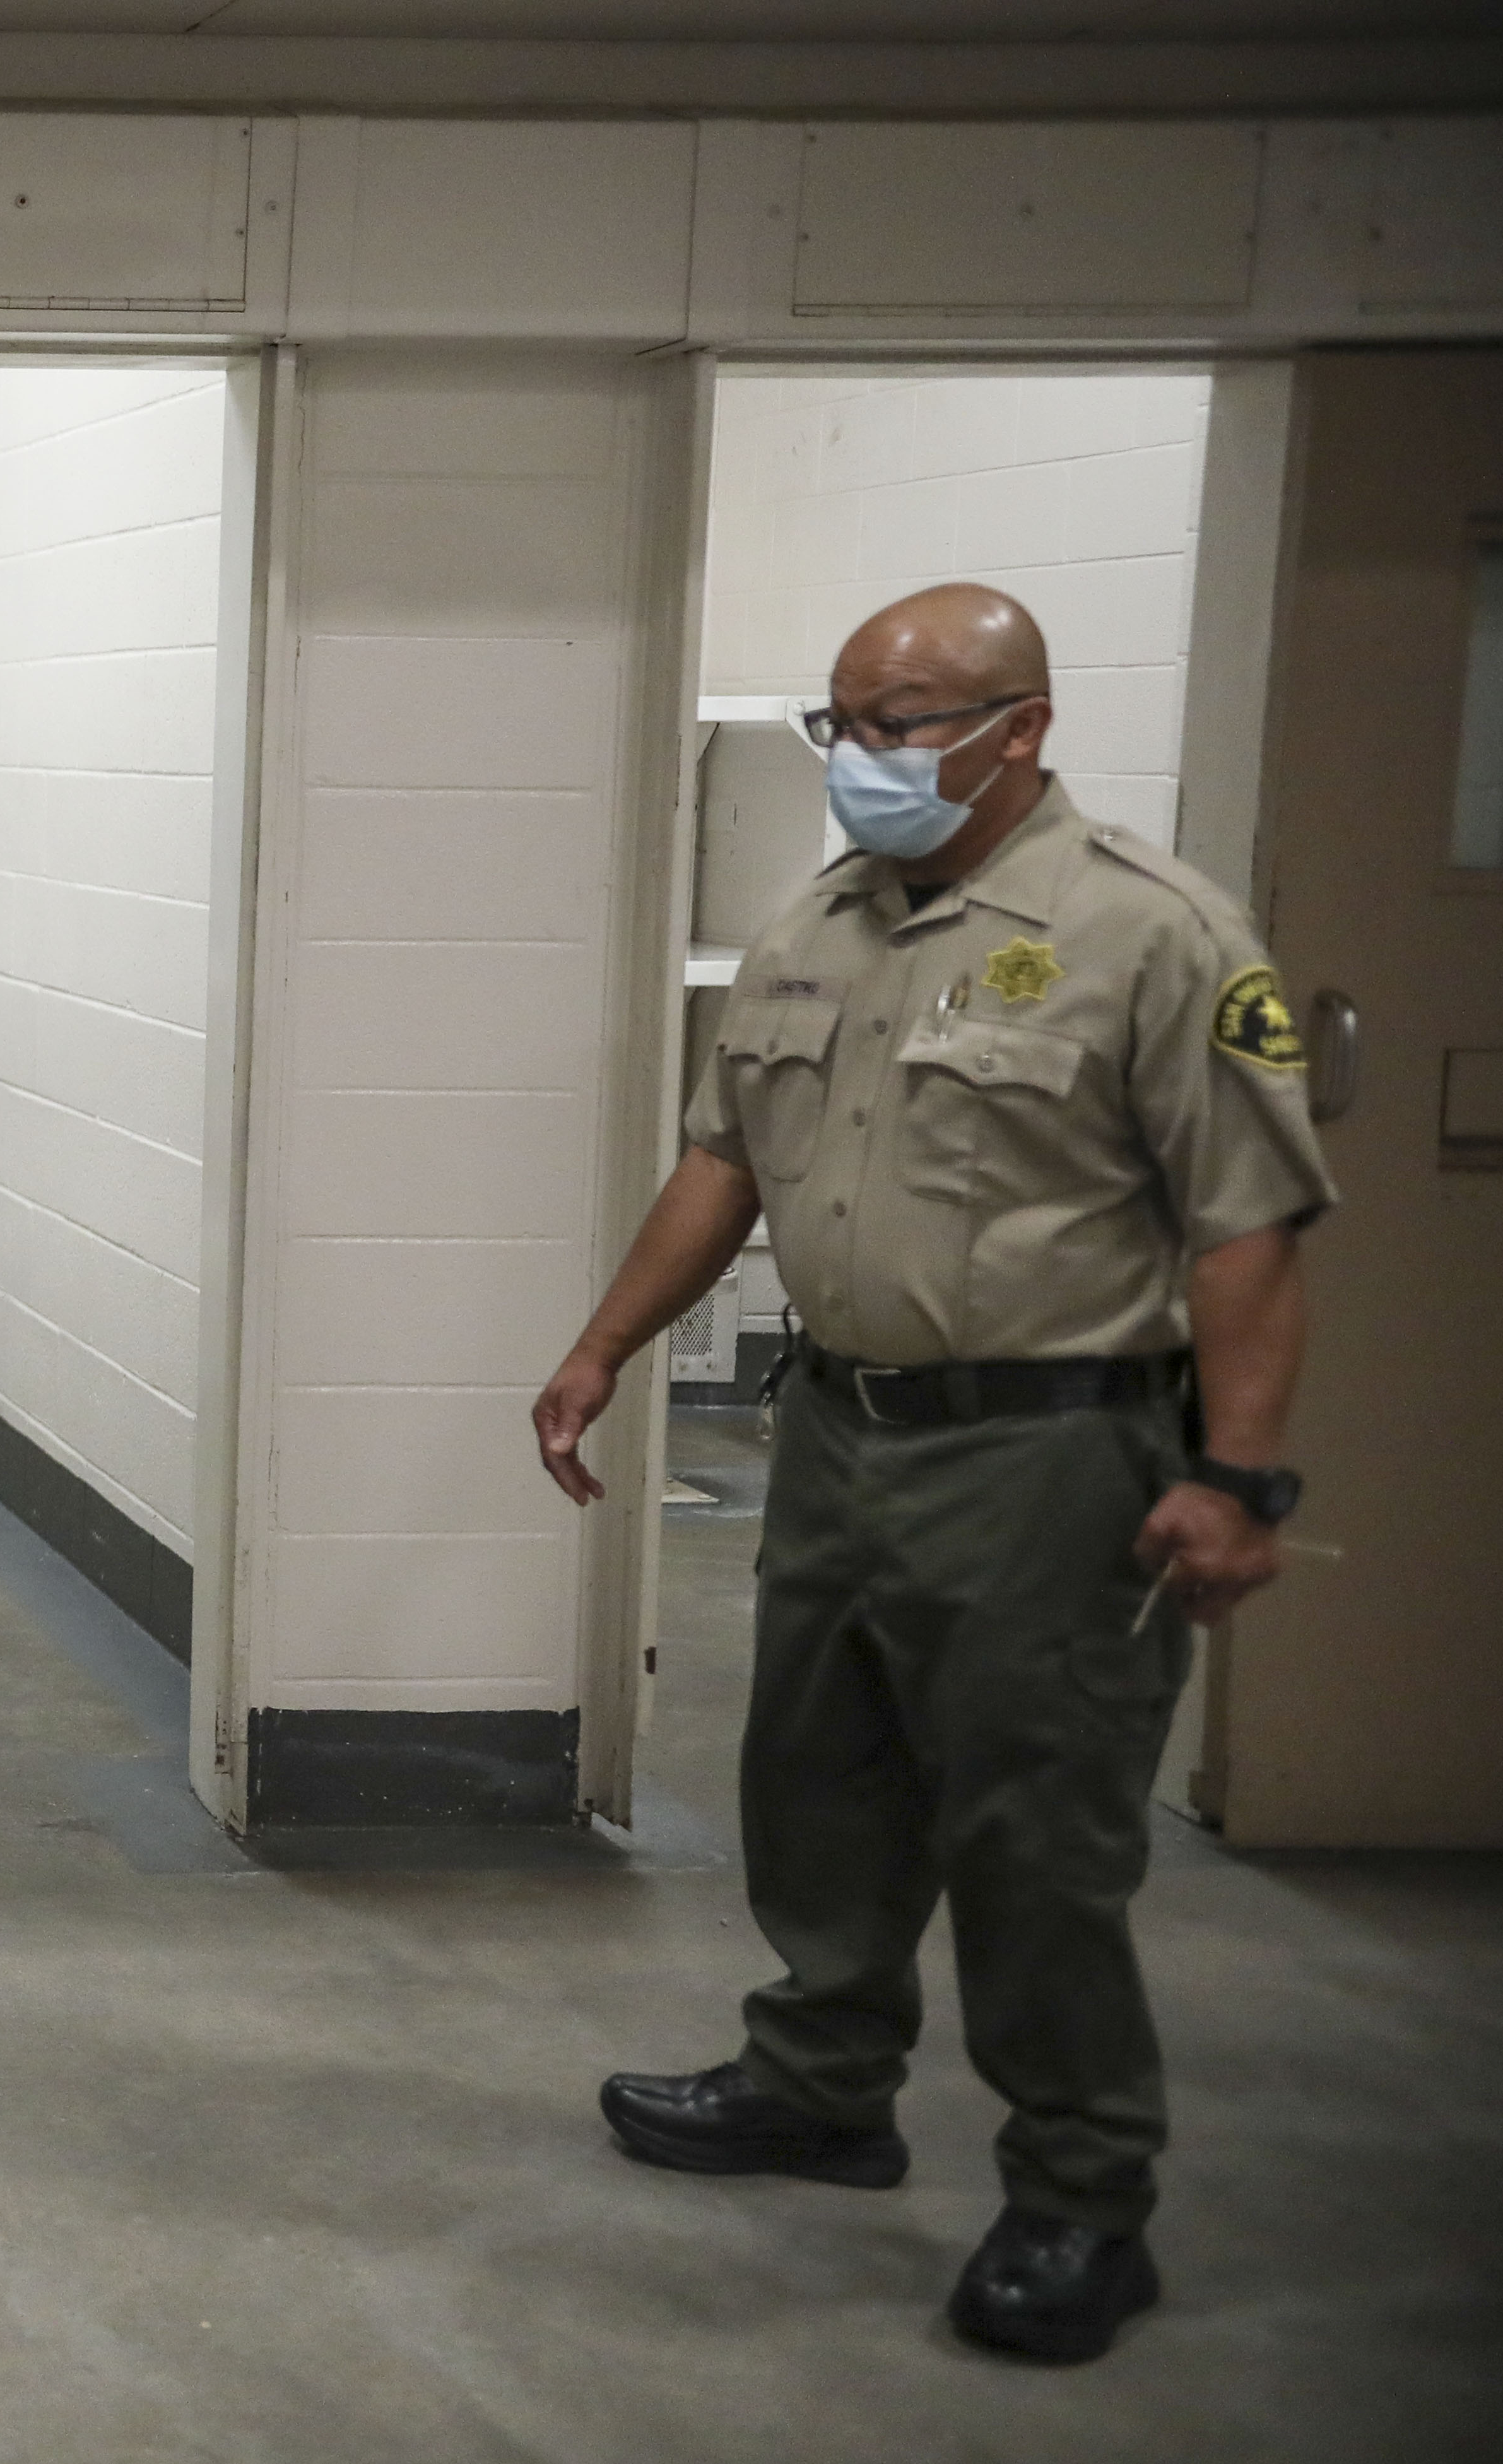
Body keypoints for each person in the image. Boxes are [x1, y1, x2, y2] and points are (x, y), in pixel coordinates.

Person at [529, 583, 1331, 2366]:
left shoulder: (1154, 932)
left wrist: (1237, 1477)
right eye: (844, 722)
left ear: (1019, 726)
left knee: (1032, 1836)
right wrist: (603, 1346)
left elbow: (1248, 1229)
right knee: (817, 1779)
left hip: (1049, 1452)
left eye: (901, 721)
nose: (864, 757)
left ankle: (1079, 2196)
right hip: (839, 1432)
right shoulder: (812, 925)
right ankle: (822, 2081)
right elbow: (719, 1162)